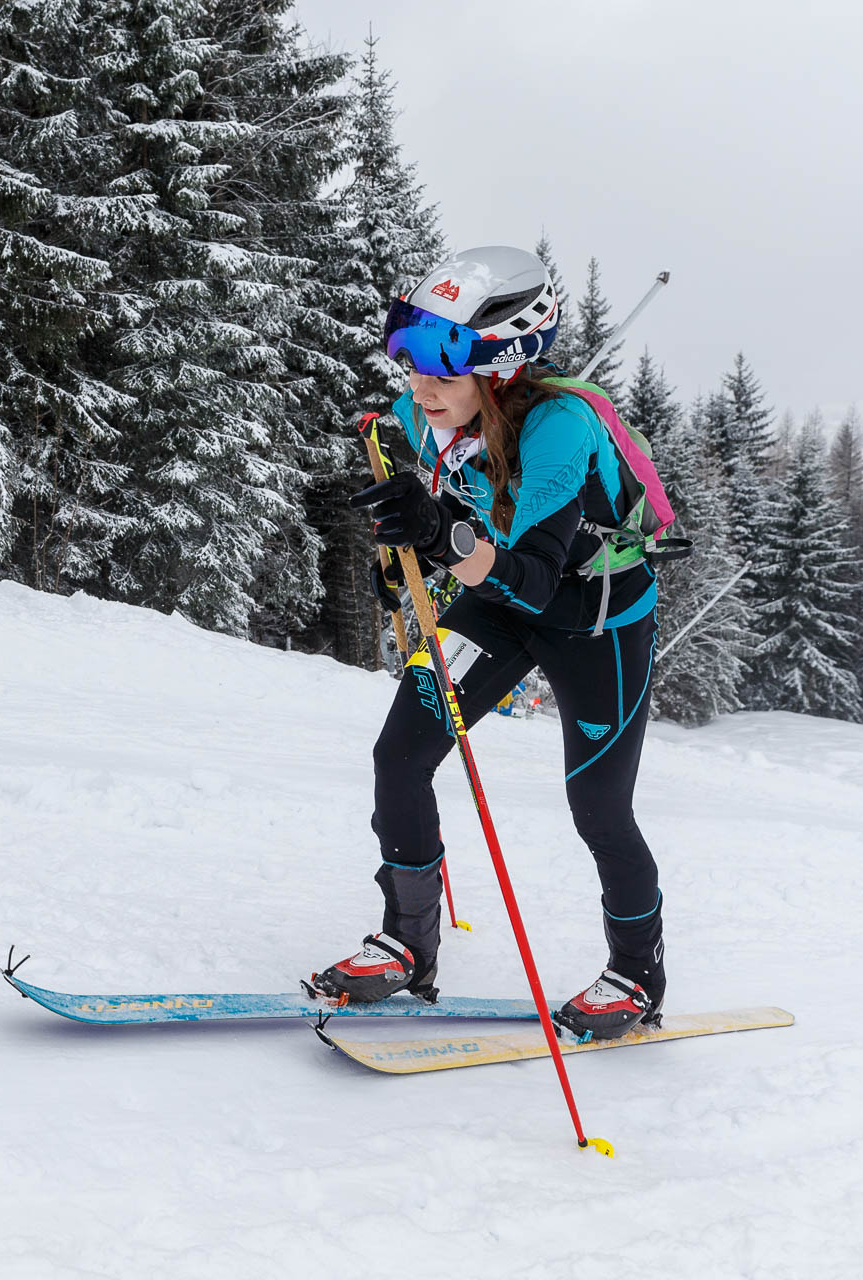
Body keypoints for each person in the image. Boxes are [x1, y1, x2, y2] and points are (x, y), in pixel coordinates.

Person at [306, 245, 666, 1042]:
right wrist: (398, 551)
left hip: (595, 615)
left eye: (442, 366)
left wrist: (437, 537)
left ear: (501, 368)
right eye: (409, 359)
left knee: (600, 810)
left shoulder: (560, 430)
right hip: (496, 599)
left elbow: (536, 577)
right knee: (399, 754)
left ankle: (638, 976)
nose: (419, 385)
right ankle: (407, 942)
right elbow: (443, 503)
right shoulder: (418, 413)